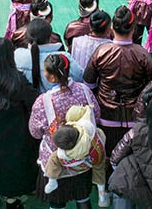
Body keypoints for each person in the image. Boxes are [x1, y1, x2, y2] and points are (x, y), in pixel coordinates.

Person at [28, 54, 104, 208]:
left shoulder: (43, 102)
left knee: (56, 203)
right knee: (83, 199)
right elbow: (96, 115)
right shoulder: (84, 91)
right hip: (83, 158)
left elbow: (35, 132)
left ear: (51, 78)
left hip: (57, 161)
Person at [82, 6, 152, 153]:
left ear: (112, 28)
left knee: (107, 157)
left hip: (105, 116)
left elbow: (88, 83)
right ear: (134, 29)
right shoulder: (142, 55)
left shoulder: (101, 51)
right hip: (134, 119)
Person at [0, 38, 40, 208]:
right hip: (16, 133)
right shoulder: (17, 80)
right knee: (14, 166)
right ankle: (12, 201)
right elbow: (34, 101)